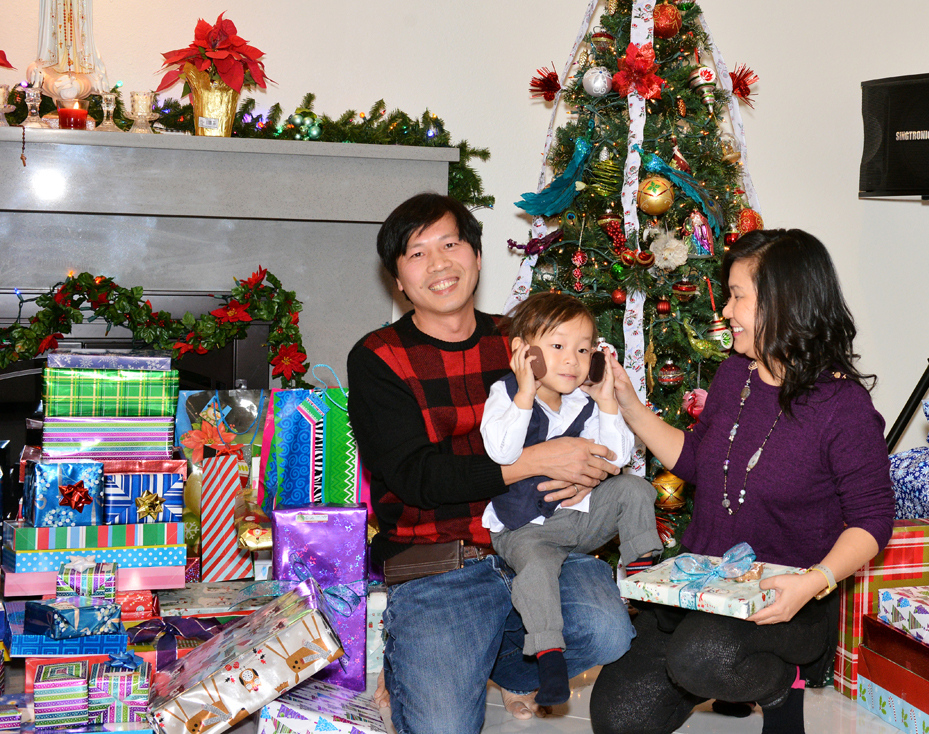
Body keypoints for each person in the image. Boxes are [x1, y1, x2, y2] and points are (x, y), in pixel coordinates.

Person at [347, 193, 634, 734]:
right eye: (416, 253)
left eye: (450, 244)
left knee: (608, 630)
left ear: (477, 257)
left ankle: (505, 666)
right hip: (438, 562)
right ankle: (433, 655)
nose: (438, 264)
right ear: (399, 282)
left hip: (538, 540)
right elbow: (413, 477)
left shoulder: (523, 341)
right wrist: (530, 462)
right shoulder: (378, 357)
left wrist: (591, 464)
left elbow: (588, 420)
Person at [589, 229, 895, 734]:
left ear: (784, 302)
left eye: (737, 296)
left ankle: (782, 685)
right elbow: (696, 461)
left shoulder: (844, 409)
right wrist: (627, 403)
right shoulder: (736, 374)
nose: (726, 311)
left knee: (700, 657)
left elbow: (872, 520)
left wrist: (811, 583)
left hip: (786, 598)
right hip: (705, 584)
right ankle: (727, 667)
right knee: (617, 718)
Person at [481, 291, 661, 706]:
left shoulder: (584, 401)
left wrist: (607, 402)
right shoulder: (505, 394)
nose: (571, 361)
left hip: (578, 520)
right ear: (524, 352)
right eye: (558, 347)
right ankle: (549, 656)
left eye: (583, 350)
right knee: (538, 569)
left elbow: (616, 459)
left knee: (635, 488)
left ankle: (644, 575)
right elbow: (502, 453)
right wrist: (525, 393)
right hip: (525, 527)